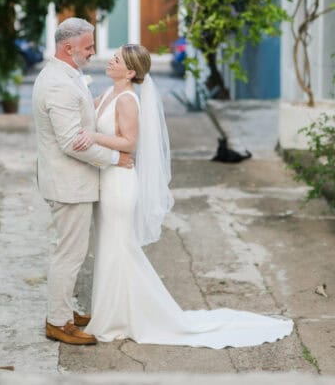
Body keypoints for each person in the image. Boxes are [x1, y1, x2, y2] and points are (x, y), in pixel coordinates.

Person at [72, 43, 294, 348]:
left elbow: (130, 142)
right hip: (107, 179)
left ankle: (119, 318)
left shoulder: (127, 100)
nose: (110, 61)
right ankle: (113, 313)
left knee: (119, 248)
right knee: (111, 247)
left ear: (131, 71)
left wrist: (95, 137)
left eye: (116, 59)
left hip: (120, 184)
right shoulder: (109, 93)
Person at [32, 18, 134, 346]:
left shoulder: (66, 73)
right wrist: (116, 159)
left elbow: (82, 118)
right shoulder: (58, 83)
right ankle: (57, 322)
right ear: (68, 48)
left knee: (71, 251)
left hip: (69, 181)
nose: (93, 53)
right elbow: (72, 140)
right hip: (68, 184)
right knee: (70, 254)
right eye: (88, 47)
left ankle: (65, 309)